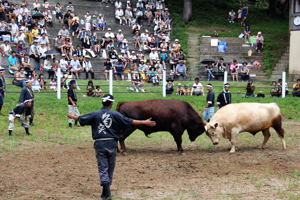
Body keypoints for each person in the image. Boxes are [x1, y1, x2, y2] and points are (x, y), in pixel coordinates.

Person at [67, 94, 156, 200]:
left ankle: (106, 191)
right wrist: (144, 122)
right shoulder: (115, 114)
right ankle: (107, 189)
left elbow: (82, 119)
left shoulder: (95, 114)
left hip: (99, 143)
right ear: (111, 103)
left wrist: (72, 116)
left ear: (102, 102)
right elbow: (130, 121)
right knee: (110, 167)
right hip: (112, 143)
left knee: (103, 167)